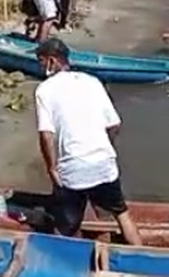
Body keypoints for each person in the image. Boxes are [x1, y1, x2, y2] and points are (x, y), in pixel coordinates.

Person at [33, 37, 141, 244]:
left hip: (74, 169)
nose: (40, 66)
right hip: (104, 164)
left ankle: (64, 256)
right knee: (122, 213)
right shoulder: (92, 81)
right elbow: (114, 125)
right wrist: (103, 147)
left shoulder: (44, 90)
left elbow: (46, 135)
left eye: (41, 61)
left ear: (52, 62)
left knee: (64, 226)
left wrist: (52, 169)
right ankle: (144, 255)